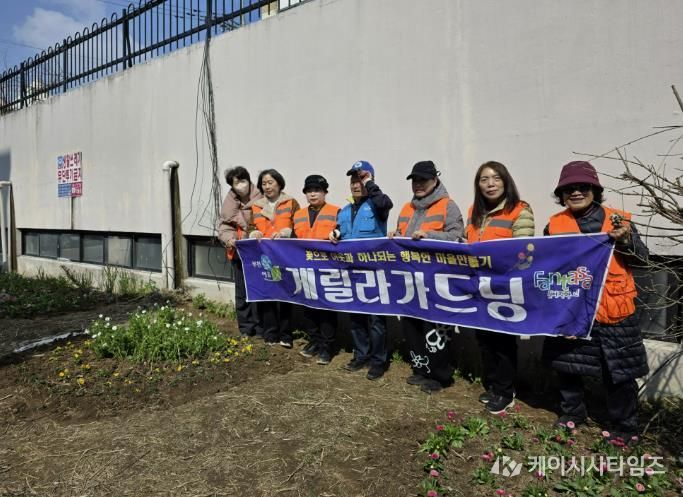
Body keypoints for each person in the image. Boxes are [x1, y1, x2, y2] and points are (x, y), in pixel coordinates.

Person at [542, 160, 649, 442]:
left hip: (614, 309)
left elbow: (643, 260)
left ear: (595, 190)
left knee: (619, 372)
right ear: (561, 194)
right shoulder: (554, 225)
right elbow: (548, 267)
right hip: (572, 308)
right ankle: (572, 415)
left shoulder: (619, 221)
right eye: (569, 189)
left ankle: (624, 427)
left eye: (583, 186)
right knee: (567, 365)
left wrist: (625, 241)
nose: (576, 192)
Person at [465, 161, 534, 414]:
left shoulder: (519, 210)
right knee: (484, 339)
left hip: (504, 287)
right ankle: (494, 385)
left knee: (502, 342)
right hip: (479, 288)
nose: (490, 184)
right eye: (484, 179)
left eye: (496, 178)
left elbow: (524, 253)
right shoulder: (474, 211)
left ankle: (506, 392)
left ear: (506, 181)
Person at [391, 160, 464, 393]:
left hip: (438, 280)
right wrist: (394, 235)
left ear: (435, 180)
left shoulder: (448, 205)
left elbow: (458, 236)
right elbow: (402, 235)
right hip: (411, 280)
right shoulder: (407, 207)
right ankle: (421, 368)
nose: (418, 184)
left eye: (423, 179)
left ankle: (440, 376)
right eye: (415, 180)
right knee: (411, 325)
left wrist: (430, 236)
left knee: (437, 328)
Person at [330, 160, 393, 380]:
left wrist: (370, 184)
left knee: (376, 320)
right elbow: (340, 231)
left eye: (360, 179)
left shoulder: (378, 205)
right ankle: (361, 355)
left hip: (375, 273)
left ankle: (378, 361)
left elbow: (385, 202)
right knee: (355, 318)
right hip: (352, 272)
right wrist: (335, 234)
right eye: (353, 180)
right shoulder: (345, 210)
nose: (356, 184)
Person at [248, 169, 300, 348]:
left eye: (270, 182)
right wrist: (254, 232)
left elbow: (299, 226)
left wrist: (287, 232)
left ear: (279, 183)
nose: (267, 186)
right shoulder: (256, 205)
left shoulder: (291, 202)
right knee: (267, 294)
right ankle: (271, 333)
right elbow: (250, 226)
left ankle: (286, 334)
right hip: (264, 257)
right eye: (264, 183)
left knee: (285, 294)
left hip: (284, 257)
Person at [293, 174, 340, 365]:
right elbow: (292, 240)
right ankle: (314, 341)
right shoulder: (298, 215)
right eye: (309, 191)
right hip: (305, 269)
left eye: (317, 190)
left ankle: (327, 347)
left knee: (326, 309)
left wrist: (338, 234)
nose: (313, 194)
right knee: (308, 308)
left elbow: (343, 234)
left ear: (325, 192)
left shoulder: (336, 211)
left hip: (327, 269)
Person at [218, 166, 264, 338]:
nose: (240, 185)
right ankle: (246, 327)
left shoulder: (262, 198)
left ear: (249, 180)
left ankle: (261, 326)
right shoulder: (230, 203)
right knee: (242, 290)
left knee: (259, 289)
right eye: (236, 183)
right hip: (239, 250)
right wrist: (229, 239)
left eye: (243, 181)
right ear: (232, 185)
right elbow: (225, 226)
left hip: (259, 250)